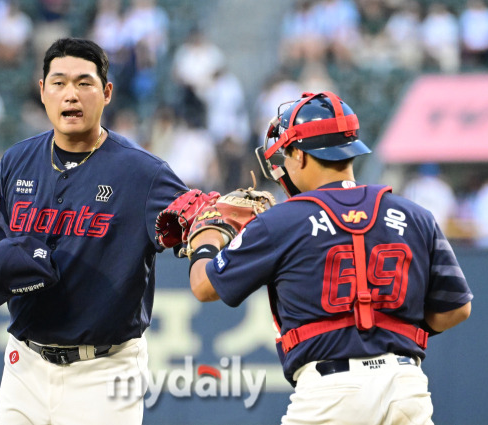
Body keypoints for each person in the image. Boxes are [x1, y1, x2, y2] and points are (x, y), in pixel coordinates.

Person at [185, 92, 473, 424]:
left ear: (300, 156)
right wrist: (389, 330)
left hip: (331, 391)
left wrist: (207, 231)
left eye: (285, 155)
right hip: (405, 385)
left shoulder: (281, 221)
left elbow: (204, 286)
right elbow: (456, 308)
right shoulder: (415, 215)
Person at [0, 37, 187, 425]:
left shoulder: (144, 173)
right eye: (58, 83)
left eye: (84, 83)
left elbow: (195, 222)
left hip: (104, 372)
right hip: (24, 364)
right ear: (42, 91)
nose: (70, 95)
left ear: (107, 92)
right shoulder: (16, 160)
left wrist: (211, 229)